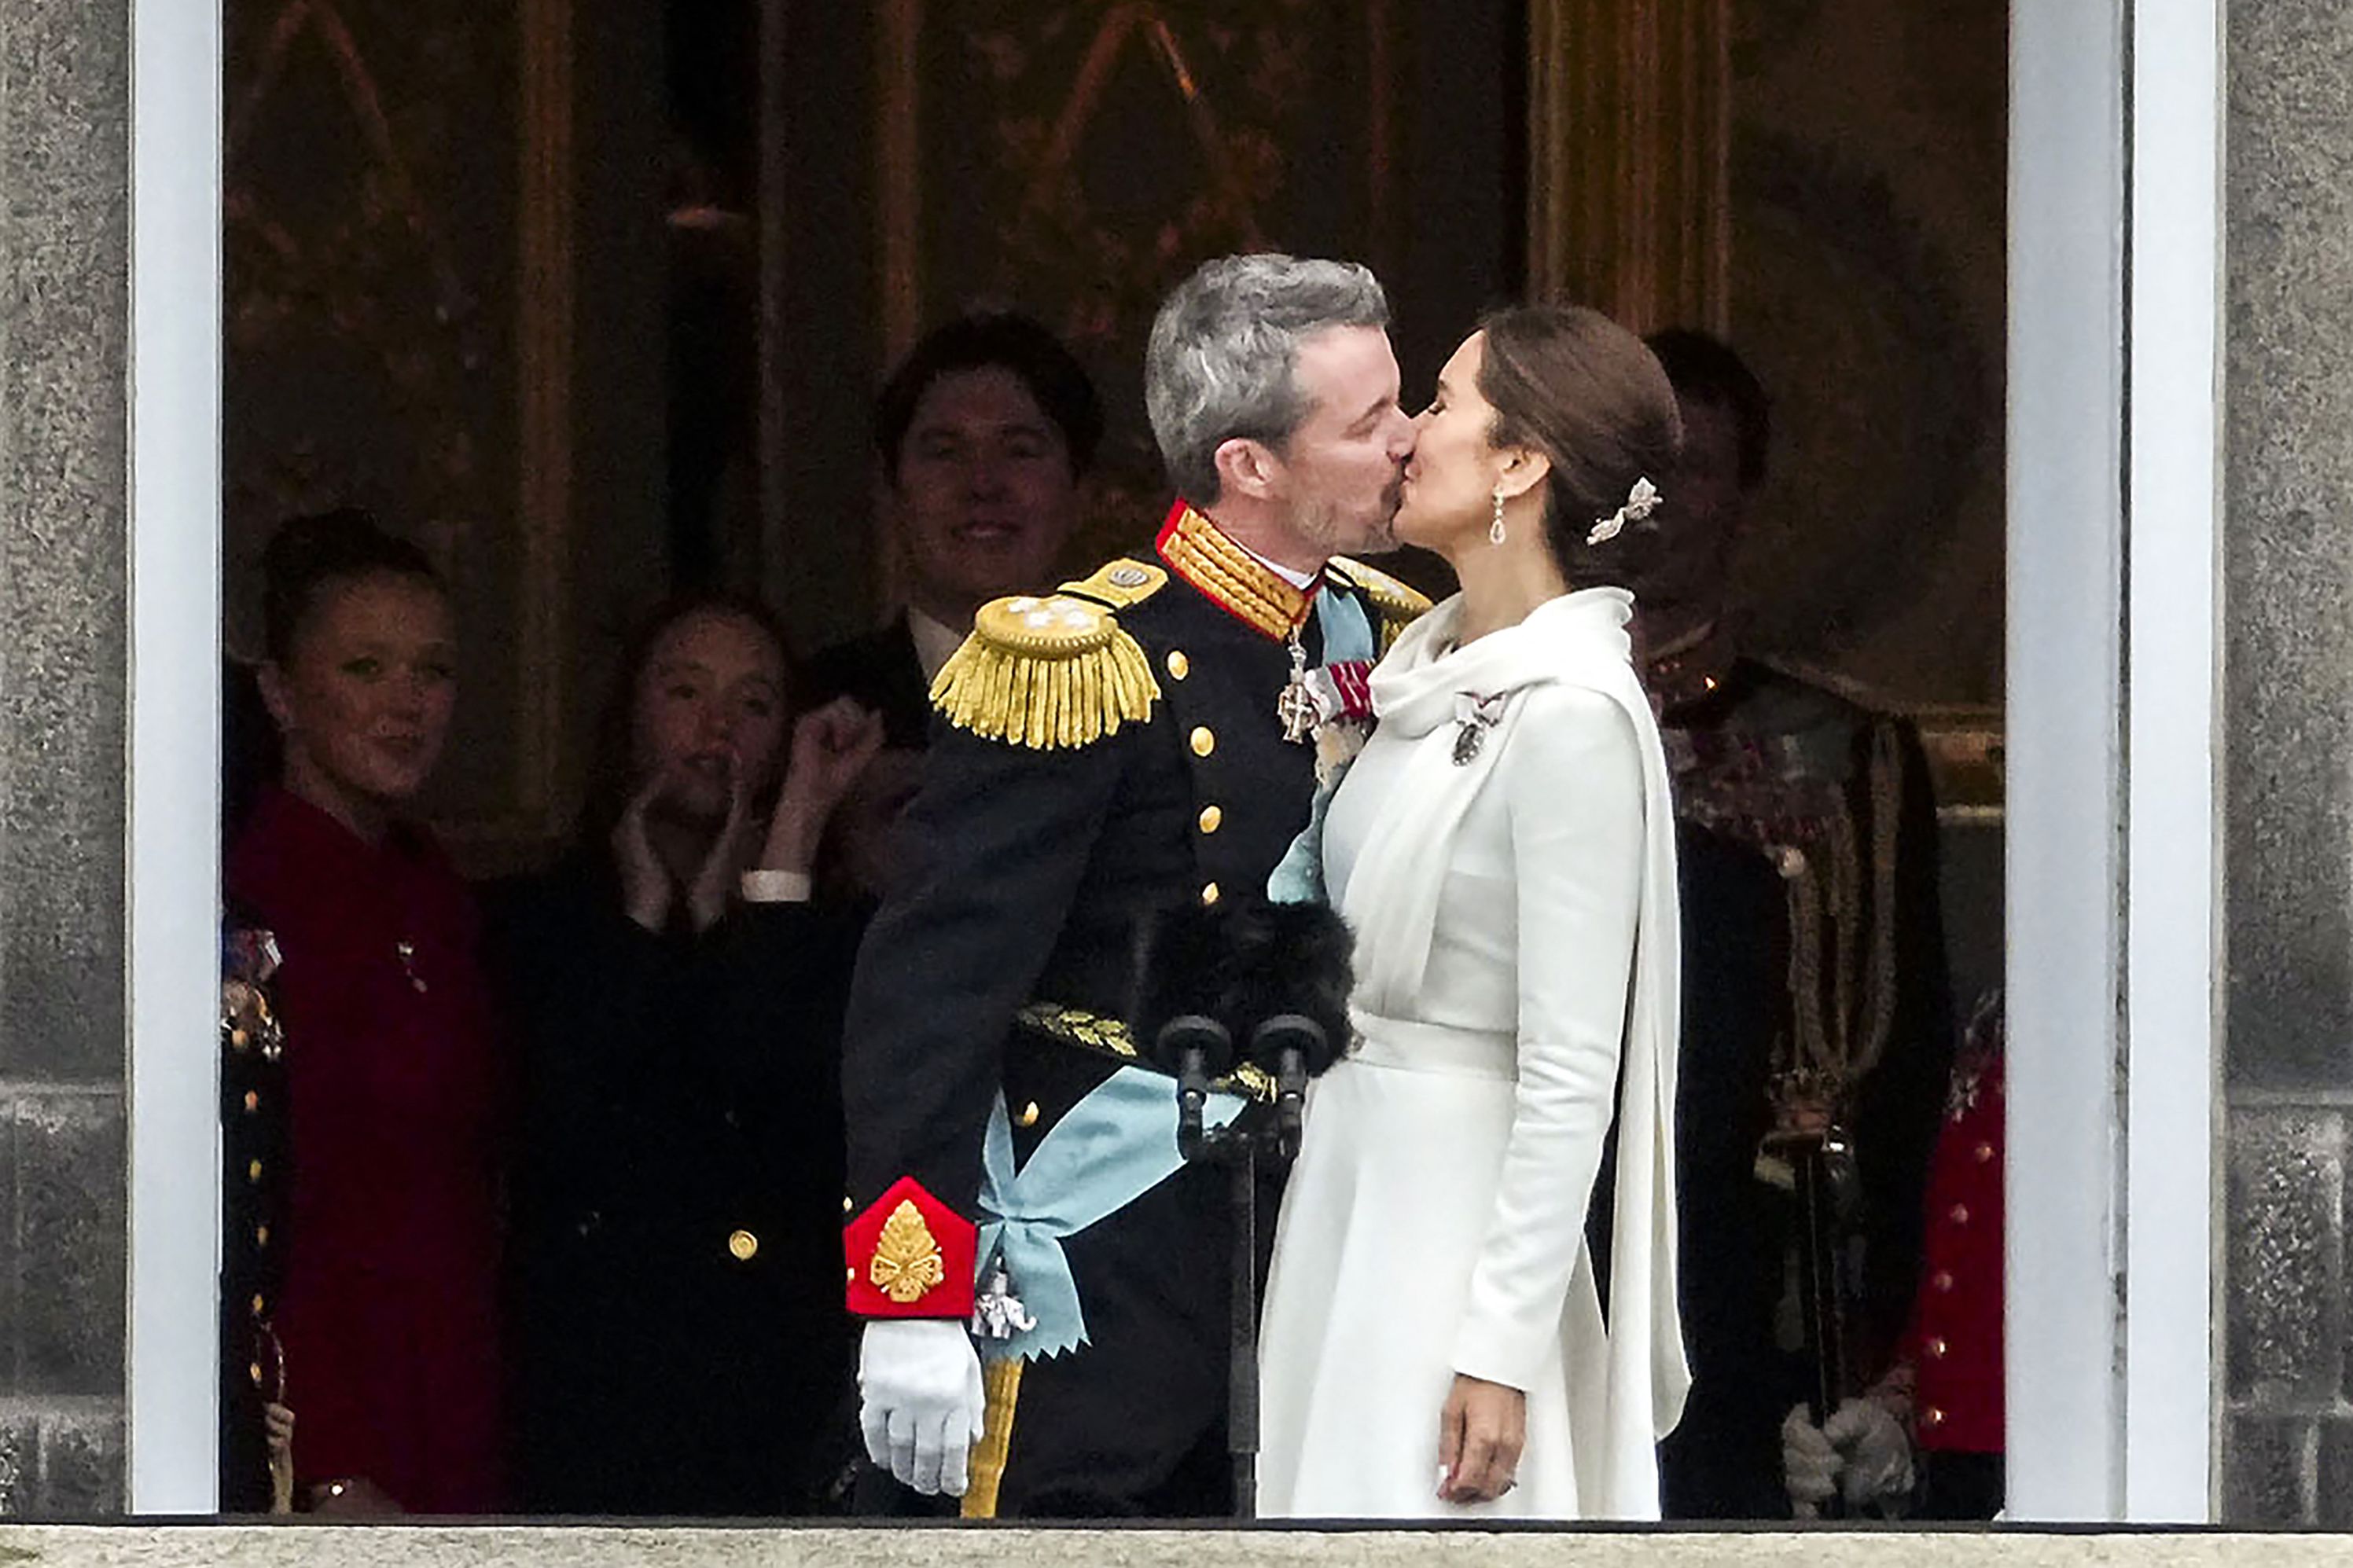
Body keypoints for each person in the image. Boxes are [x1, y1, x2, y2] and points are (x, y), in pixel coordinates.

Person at [840, 253, 1428, 1518]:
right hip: (1102, 1263)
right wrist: (913, 1290)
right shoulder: (1083, 659)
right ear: (1249, 465)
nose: (1409, 439)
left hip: (1314, 1245)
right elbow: (930, 991)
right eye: (1371, 418)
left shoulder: (1389, 634)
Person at [1256, 305, 1690, 1520]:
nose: (1405, 436)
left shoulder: (1570, 714)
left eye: (1440, 404)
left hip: (1459, 1228)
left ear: (1519, 461)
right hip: (1355, 1183)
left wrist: (1498, 1343)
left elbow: (1568, 1064)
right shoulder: (1431, 676)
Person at [1631, 328, 1957, 1519]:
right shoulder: (1496, 712)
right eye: (1633, 465)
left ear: (1744, 497)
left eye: (1694, 468)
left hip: (1759, 1252)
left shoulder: (1844, 752)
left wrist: (1894, 1353)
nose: (1657, 501)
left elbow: (1905, 1054)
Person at [492, 593, 884, 1515]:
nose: (716, 727)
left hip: (768, 1397)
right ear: (630, 713)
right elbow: (564, 1121)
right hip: (590, 1391)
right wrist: (641, 919)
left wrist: (755, 875)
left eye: (753, 704)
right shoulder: (533, 920)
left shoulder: (822, 936)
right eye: (683, 692)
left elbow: (781, 1114)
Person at [223, 509, 505, 1514]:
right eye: (365, 670)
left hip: (455, 1392)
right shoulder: (250, 904)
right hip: (332, 1416)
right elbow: (267, 1208)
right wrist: (329, 1458)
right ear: (282, 694)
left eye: (431, 673)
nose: (406, 704)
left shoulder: (435, 896)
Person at [807, 310, 1103, 750]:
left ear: (1082, 493)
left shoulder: (1157, 709)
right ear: (892, 493)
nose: (982, 484)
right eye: (945, 453)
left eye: (1019, 451)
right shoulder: (815, 710)